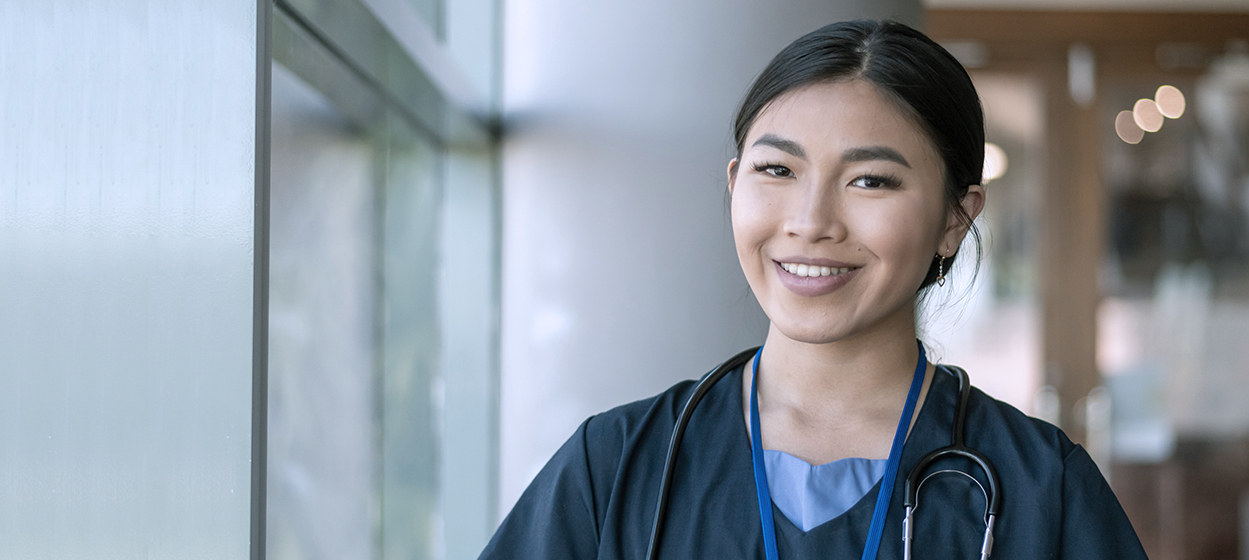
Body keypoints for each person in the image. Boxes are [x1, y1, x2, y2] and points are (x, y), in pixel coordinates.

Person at [479, 20, 1147, 559]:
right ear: (735, 181)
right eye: (777, 169)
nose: (810, 222)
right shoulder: (617, 467)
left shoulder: (1042, 489)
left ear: (956, 217)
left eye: (871, 181)